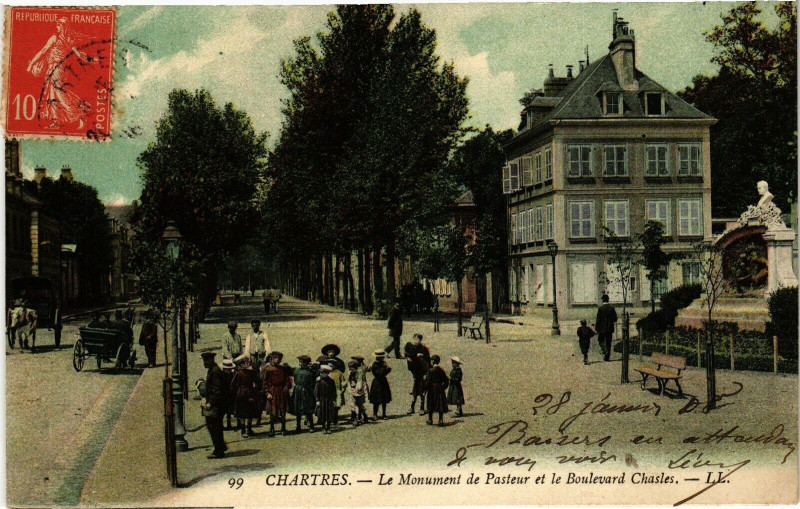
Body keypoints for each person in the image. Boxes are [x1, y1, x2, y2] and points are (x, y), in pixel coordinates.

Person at [201, 352, 227, 459]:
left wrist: (210, 402)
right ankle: (220, 447)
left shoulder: (215, 372)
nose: (204, 363)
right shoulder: (214, 370)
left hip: (216, 405)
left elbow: (217, 390)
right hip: (218, 404)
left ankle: (219, 451)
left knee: (214, 427)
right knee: (216, 427)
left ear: (211, 360)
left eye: (206, 361)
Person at [261, 352, 291, 436]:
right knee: (272, 412)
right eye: (277, 358)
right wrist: (267, 392)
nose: (279, 360)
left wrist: (286, 388)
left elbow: (287, 381)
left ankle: (283, 428)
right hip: (273, 392)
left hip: (282, 392)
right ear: (273, 358)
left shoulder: (282, 369)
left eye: (280, 358)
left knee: (282, 411)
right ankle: (272, 428)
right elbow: (265, 382)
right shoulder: (268, 369)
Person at [229, 360, 262, 439]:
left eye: (247, 363)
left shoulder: (251, 373)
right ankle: (243, 430)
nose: (247, 364)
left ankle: (249, 429)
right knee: (242, 413)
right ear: (241, 364)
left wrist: (256, 389)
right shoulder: (239, 373)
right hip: (242, 394)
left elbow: (258, 382)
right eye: (245, 363)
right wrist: (235, 393)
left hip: (249, 394)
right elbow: (233, 385)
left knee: (250, 412)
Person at [404, 333, 431, 415]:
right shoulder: (412, 348)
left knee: (422, 390)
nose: (415, 341)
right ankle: (412, 407)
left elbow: (427, 360)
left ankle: (422, 407)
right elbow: (408, 355)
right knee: (415, 391)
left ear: (420, 340)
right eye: (414, 339)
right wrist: (410, 357)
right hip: (415, 372)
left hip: (422, 372)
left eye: (417, 339)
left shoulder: (424, 349)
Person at [291, 355, 316, 433]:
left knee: (308, 409)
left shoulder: (310, 372)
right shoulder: (297, 371)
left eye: (301, 362)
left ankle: (311, 426)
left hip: (306, 392)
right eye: (300, 362)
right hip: (297, 391)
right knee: (297, 409)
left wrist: (309, 392)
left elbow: (312, 384)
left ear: (306, 363)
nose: (300, 363)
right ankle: (298, 427)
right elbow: (295, 379)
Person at [425, 355, 449, 427]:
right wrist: (442, 388)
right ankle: (440, 420)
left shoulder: (430, 371)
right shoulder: (441, 370)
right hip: (440, 388)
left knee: (430, 403)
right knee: (440, 404)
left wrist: (425, 389)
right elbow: (446, 381)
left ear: (433, 361)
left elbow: (427, 381)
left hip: (432, 389)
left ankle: (430, 419)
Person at [368, 350, 392, 420]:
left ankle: (384, 414)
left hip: (383, 382)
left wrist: (387, 369)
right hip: (377, 382)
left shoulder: (383, 363)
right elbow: (379, 373)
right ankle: (374, 414)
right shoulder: (374, 364)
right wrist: (385, 368)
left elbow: (385, 373)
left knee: (384, 399)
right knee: (376, 400)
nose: (383, 358)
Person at [315, 364, 338, 434]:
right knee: (322, 414)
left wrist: (334, 400)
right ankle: (323, 427)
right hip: (322, 400)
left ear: (328, 373)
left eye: (324, 373)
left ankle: (328, 427)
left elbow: (334, 391)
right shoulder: (319, 381)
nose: (322, 374)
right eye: (321, 373)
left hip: (329, 400)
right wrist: (317, 400)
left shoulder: (331, 381)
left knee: (329, 414)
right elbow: (316, 391)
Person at [596, 294, 618, 362]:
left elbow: (598, 319)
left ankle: (605, 351)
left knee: (600, 340)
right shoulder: (612, 308)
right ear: (608, 300)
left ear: (602, 300)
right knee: (608, 342)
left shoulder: (600, 309)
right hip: (609, 329)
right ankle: (607, 357)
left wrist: (597, 328)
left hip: (602, 329)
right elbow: (615, 319)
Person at [347, 360, 368, 426]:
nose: (351, 369)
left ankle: (364, 415)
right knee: (352, 405)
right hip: (352, 390)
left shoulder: (359, 373)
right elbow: (348, 381)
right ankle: (354, 419)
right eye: (350, 368)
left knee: (360, 405)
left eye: (352, 368)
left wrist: (357, 389)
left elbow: (360, 382)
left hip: (358, 391)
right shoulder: (350, 373)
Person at [220, 359, 237, 430]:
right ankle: (224, 424)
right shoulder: (222, 375)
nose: (229, 370)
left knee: (230, 409)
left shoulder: (232, 375)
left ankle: (229, 423)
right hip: (224, 394)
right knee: (223, 411)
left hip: (230, 394)